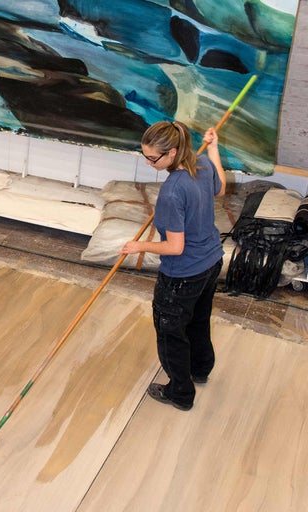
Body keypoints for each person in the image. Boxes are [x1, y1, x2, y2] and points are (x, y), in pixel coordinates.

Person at [120, 121, 225, 411]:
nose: (148, 162)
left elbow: (174, 247)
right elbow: (220, 188)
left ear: (173, 152)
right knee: (198, 320)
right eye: (145, 156)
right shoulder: (201, 162)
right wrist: (214, 148)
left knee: (170, 333)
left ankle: (180, 392)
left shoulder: (171, 193)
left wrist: (138, 246)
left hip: (183, 275)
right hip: (212, 262)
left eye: (153, 158)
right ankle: (201, 369)